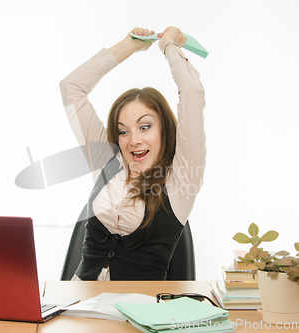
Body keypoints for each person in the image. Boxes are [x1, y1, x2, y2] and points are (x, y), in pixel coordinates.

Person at [59, 26, 206, 281]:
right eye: (123, 131)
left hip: (136, 312)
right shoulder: (108, 160)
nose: (133, 141)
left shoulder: (182, 179)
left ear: (164, 130)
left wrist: (169, 46)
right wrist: (130, 45)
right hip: (79, 305)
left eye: (145, 127)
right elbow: (71, 87)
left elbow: (192, 92)